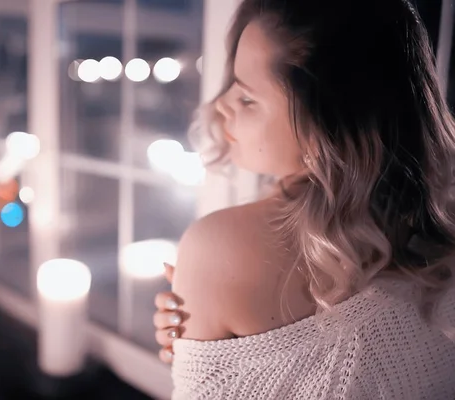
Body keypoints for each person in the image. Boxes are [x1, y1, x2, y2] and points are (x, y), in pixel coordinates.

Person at [152, 0, 455, 398]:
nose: (221, 105)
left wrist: (205, 288)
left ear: (326, 130)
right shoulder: (438, 228)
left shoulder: (219, 246)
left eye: (247, 99)